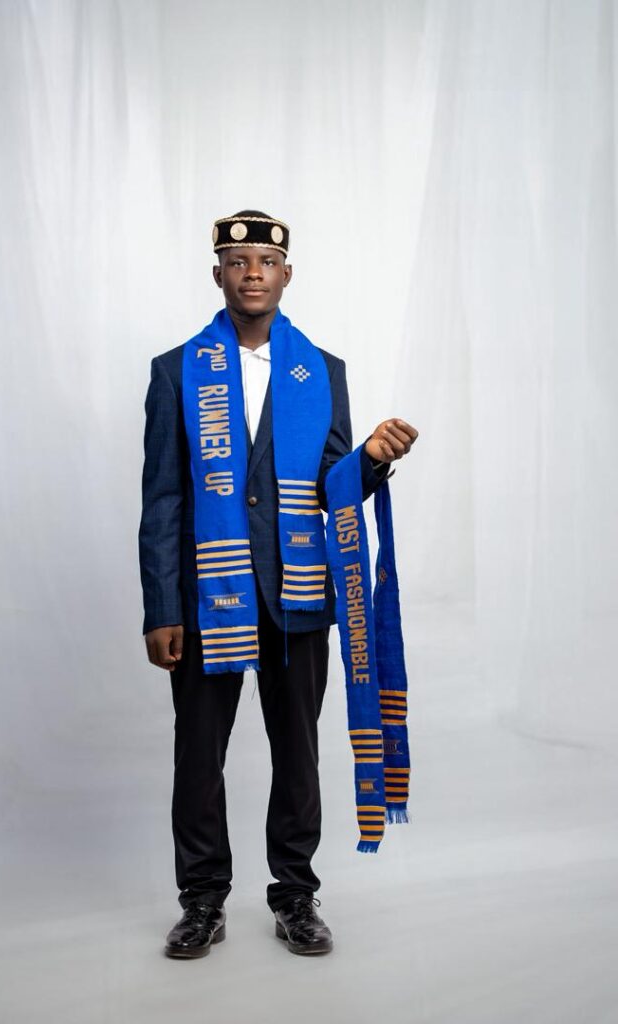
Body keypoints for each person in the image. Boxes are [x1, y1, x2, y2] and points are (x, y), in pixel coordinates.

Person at [138, 210, 418, 958]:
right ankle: (202, 899)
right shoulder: (175, 371)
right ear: (218, 276)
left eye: (266, 261)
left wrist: (371, 459)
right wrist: (161, 607)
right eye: (238, 262)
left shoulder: (322, 370)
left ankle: (295, 893)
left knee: (298, 751)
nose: (253, 272)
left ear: (287, 274)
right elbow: (162, 499)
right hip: (208, 596)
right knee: (199, 755)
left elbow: (332, 487)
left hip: (298, 596)